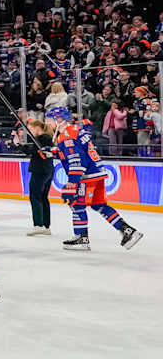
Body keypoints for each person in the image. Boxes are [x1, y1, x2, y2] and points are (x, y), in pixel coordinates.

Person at [45, 106, 143, 251]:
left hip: (86, 176)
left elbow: (77, 161)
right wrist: (54, 152)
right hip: (97, 172)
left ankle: (81, 238)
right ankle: (127, 230)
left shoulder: (66, 135)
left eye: (49, 120)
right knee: (98, 204)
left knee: (77, 204)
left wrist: (72, 183)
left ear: (59, 119)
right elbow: (78, 152)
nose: (47, 123)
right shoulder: (74, 130)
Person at [21, 120, 54, 236]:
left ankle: (39, 224)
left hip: (40, 170)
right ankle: (46, 225)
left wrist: (19, 145)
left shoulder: (42, 138)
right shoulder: (47, 139)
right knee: (43, 197)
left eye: (31, 129)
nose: (30, 132)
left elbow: (32, 152)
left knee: (35, 196)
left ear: (37, 128)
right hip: (48, 170)